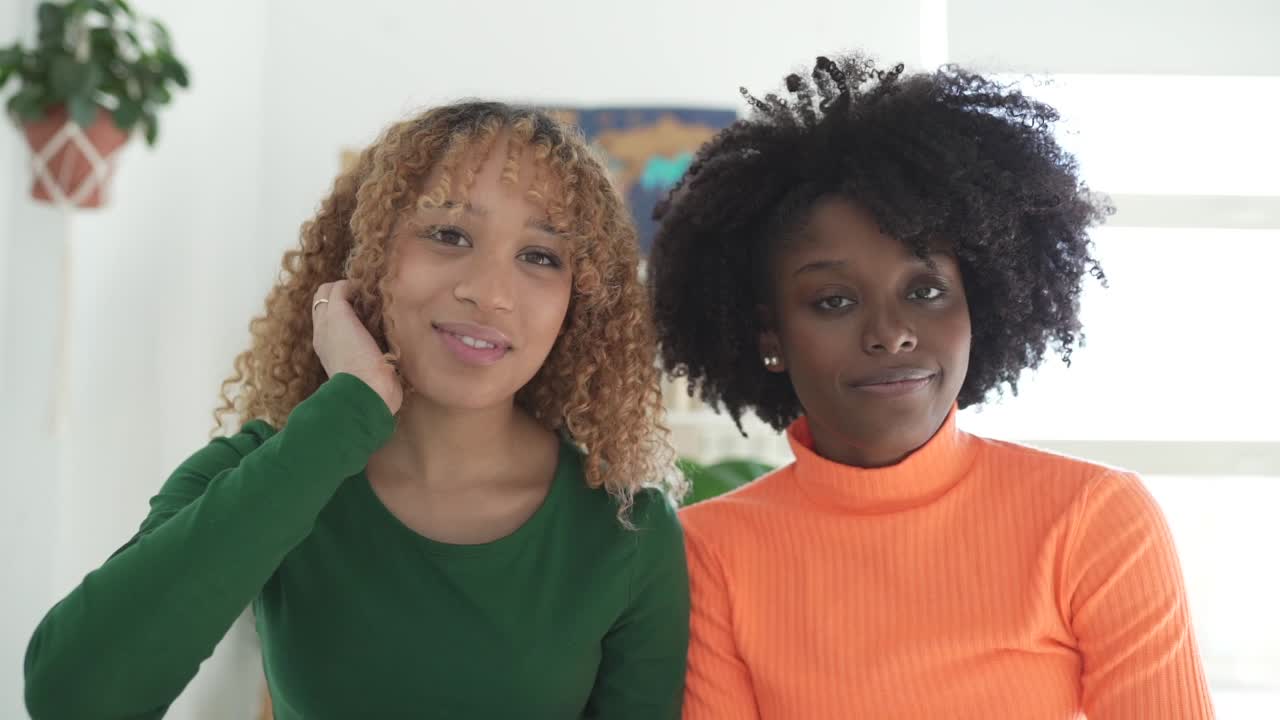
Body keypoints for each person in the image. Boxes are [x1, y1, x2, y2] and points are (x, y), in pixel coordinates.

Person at [25, 101, 689, 720]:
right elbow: (76, 697)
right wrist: (348, 412)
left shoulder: (624, 528)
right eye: (449, 234)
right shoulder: (272, 469)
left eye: (539, 256)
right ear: (366, 257)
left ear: (580, 304)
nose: (489, 293)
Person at [648, 54, 1213, 718]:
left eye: (925, 290)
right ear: (769, 334)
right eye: (833, 301)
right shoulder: (708, 552)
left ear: (981, 304)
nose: (891, 334)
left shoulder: (1091, 518)